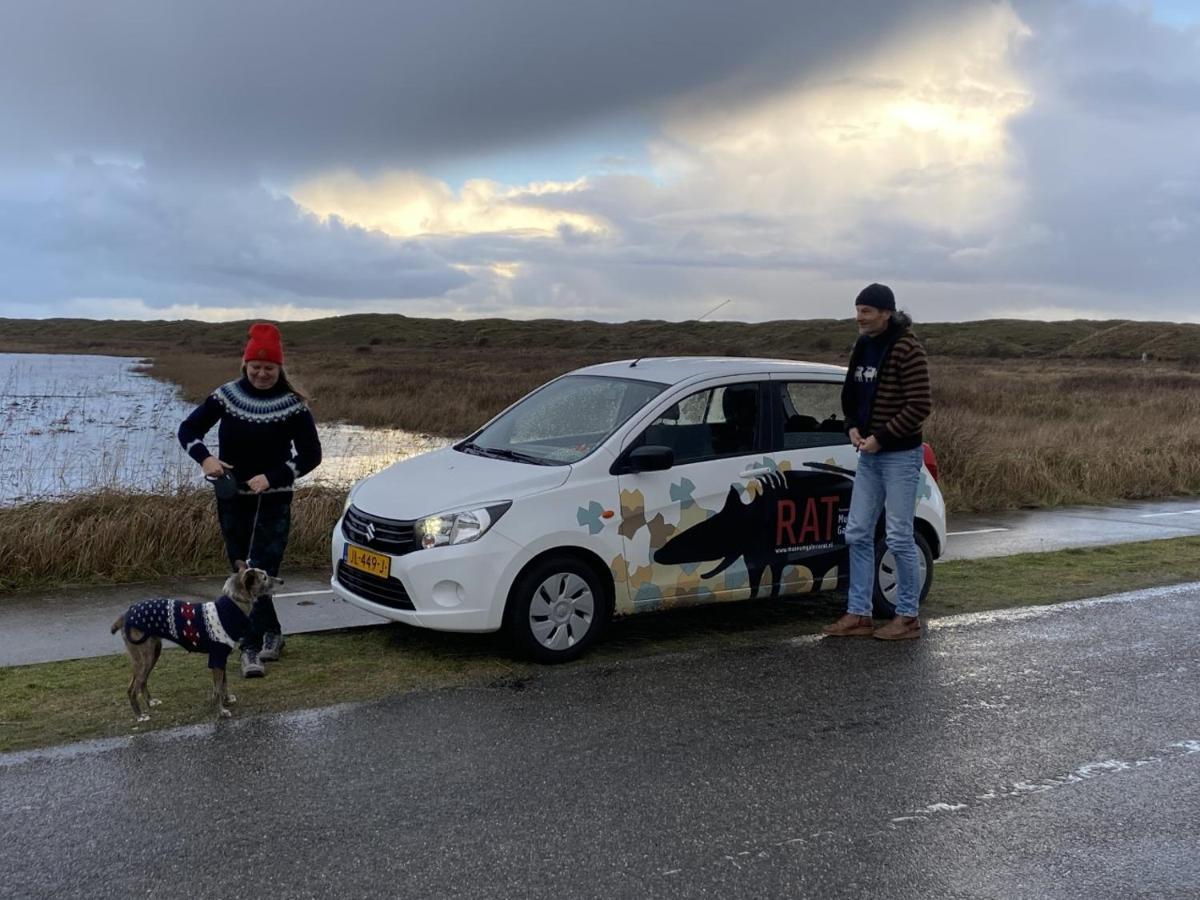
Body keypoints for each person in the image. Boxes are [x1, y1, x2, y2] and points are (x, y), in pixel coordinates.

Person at [178, 323, 322, 676]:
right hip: (232, 498)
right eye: (255, 367)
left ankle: (250, 649)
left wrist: (273, 476)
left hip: (274, 500)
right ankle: (272, 632)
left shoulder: (293, 405)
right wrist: (206, 459)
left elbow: (311, 455)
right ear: (245, 365)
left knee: (261, 568)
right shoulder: (226, 396)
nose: (261, 373)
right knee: (244, 572)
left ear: (279, 369)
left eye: (269, 368)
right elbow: (188, 430)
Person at [823, 283, 932, 640]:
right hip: (868, 454)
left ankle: (907, 618)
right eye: (858, 309)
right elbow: (851, 394)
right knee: (857, 532)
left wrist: (882, 436)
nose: (860, 317)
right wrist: (852, 426)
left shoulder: (907, 349)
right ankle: (859, 614)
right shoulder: (863, 345)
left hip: (899, 456)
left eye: (867, 311)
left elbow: (919, 405)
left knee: (900, 535)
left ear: (886, 312)